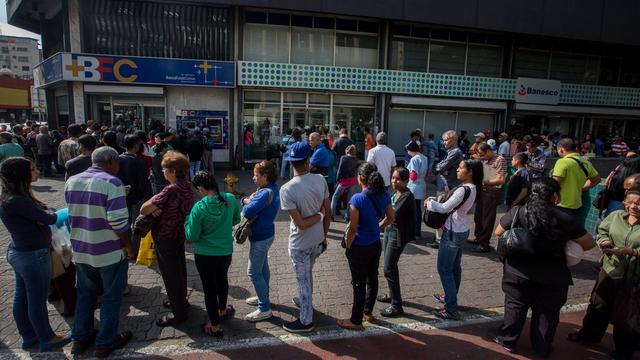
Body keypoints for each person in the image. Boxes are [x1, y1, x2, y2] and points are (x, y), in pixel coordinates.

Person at [490, 178, 595, 357]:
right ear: (555, 195)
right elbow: (589, 243)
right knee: (546, 312)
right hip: (553, 275)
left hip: (518, 271)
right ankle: (542, 346)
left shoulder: (519, 212)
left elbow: (499, 232)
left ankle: (508, 340)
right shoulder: (566, 218)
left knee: (515, 305)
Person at [64, 147, 133, 357]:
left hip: (82, 247)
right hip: (108, 250)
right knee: (111, 296)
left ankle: (80, 337)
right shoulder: (112, 183)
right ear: (112, 161)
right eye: (117, 162)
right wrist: (128, 245)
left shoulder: (72, 180)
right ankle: (105, 341)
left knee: (85, 294)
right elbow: (119, 222)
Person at [0, 157, 71, 352]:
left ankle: (29, 337)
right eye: (32, 169)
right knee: (36, 300)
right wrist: (54, 213)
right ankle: (46, 338)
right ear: (22, 175)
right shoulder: (17, 201)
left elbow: (43, 218)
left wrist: (44, 216)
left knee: (23, 297)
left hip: (21, 252)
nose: (37, 171)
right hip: (32, 255)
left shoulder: (12, 198)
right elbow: (50, 218)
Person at [569, 187, 640, 360]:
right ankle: (589, 336)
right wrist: (605, 241)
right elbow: (602, 231)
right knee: (598, 305)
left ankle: (624, 350)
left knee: (628, 314)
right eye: (630, 202)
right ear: (624, 202)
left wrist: (632, 252)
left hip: (634, 277)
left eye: (638, 203)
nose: (633, 206)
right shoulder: (615, 216)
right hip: (610, 270)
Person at [279, 142, 331, 333]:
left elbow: (300, 223)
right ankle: (304, 302)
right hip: (317, 240)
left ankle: (306, 320)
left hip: (300, 244)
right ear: (308, 160)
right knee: (307, 276)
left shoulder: (286, 189)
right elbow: (328, 211)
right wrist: (324, 234)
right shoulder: (320, 179)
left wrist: (319, 217)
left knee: (303, 281)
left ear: (291, 162)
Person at [140, 151, 195, 327]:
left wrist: (153, 205)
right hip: (178, 233)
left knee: (170, 275)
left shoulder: (170, 189)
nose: (163, 172)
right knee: (179, 271)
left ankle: (178, 313)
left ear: (172, 170)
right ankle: (180, 301)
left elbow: (143, 209)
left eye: (164, 169)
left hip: (165, 236)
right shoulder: (187, 185)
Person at [338, 162, 394, 330]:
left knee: (358, 283)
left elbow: (353, 229)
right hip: (375, 244)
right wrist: (378, 227)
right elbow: (391, 217)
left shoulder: (357, 199)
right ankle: (367, 313)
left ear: (360, 178)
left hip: (359, 247)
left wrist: (348, 246)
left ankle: (356, 320)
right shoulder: (384, 195)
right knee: (372, 278)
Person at [185, 171, 240, 337]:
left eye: (197, 190)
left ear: (200, 188)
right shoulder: (229, 199)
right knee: (222, 280)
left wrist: (187, 222)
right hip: (225, 252)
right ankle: (222, 310)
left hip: (205, 255)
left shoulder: (199, 208)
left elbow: (191, 236)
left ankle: (215, 326)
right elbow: (236, 220)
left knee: (209, 289)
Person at [426, 159, 483, 319]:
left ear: (470, 172)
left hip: (453, 232)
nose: (457, 170)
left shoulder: (464, 189)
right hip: (462, 229)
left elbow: (445, 208)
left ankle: (451, 308)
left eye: (461, 167)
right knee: (455, 268)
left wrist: (429, 203)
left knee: (444, 269)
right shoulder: (474, 188)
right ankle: (450, 297)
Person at [241, 161, 281, 322]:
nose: (253, 178)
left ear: (265, 176)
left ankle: (264, 308)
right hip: (267, 234)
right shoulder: (272, 188)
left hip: (260, 236)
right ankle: (263, 296)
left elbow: (247, 210)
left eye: (256, 175)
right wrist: (247, 200)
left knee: (253, 271)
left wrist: (244, 201)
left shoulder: (264, 192)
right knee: (263, 266)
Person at [378, 167, 415, 317]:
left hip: (397, 233)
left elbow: (392, 215)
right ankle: (392, 294)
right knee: (388, 266)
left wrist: (377, 227)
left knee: (389, 268)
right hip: (389, 231)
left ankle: (396, 305)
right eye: (393, 178)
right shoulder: (396, 193)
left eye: (398, 179)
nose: (394, 181)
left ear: (406, 181)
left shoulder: (407, 196)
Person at [118, 135, 152, 259]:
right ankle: (133, 250)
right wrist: (148, 196)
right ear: (136, 146)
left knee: (123, 223)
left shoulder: (117, 158)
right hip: (137, 197)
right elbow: (143, 182)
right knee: (136, 225)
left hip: (120, 196)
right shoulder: (138, 162)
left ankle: (124, 249)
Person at [471, 143, 507, 253]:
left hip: (492, 192)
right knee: (478, 216)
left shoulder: (500, 160)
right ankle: (478, 238)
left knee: (487, 218)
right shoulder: (484, 160)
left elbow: (501, 179)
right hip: (482, 191)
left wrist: (484, 182)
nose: (482, 157)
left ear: (488, 151)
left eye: (483, 155)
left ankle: (484, 243)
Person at [552, 138, 600, 219]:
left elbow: (554, 184)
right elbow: (597, 179)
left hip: (561, 204)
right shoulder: (586, 162)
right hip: (577, 204)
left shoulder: (562, 162)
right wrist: (582, 188)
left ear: (561, 150)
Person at [406, 140, 428, 240]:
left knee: (413, 210)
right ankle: (417, 232)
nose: (407, 153)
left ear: (412, 150)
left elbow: (413, 175)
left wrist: (406, 176)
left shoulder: (414, 159)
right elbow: (427, 172)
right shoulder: (424, 158)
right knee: (418, 210)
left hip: (414, 185)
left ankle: (414, 232)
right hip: (422, 184)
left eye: (408, 150)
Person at [331, 144, 360, 221]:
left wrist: (337, 180)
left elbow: (340, 170)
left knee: (335, 197)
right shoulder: (356, 159)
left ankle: (331, 215)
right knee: (349, 199)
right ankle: (347, 216)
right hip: (352, 181)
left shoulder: (343, 158)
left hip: (344, 181)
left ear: (347, 150)